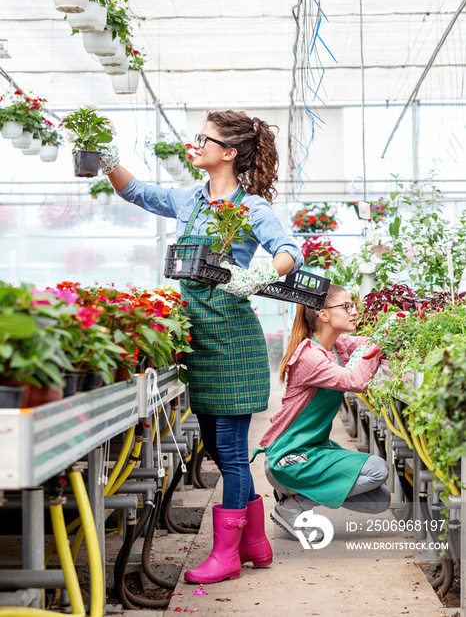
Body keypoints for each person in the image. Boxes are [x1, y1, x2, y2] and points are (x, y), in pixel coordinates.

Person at [100, 110, 303, 582]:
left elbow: (290, 251)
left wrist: (256, 274)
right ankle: (254, 543)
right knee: (213, 445)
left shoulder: (252, 207)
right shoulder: (190, 198)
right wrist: (108, 158)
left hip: (232, 338)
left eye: (203, 139)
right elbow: (136, 192)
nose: (195, 145)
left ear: (228, 153)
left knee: (230, 452)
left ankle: (227, 554)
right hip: (198, 337)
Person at [257, 284, 390, 540]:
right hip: (288, 456)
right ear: (324, 314)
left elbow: (367, 343)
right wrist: (376, 348)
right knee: (377, 469)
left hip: (313, 449)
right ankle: (292, 506)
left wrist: (388, 337)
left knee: (378, 500)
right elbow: (356, 381)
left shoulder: (336, 345)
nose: (354, 311)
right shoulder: (309, 355)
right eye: (347, 306)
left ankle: (296, 497)